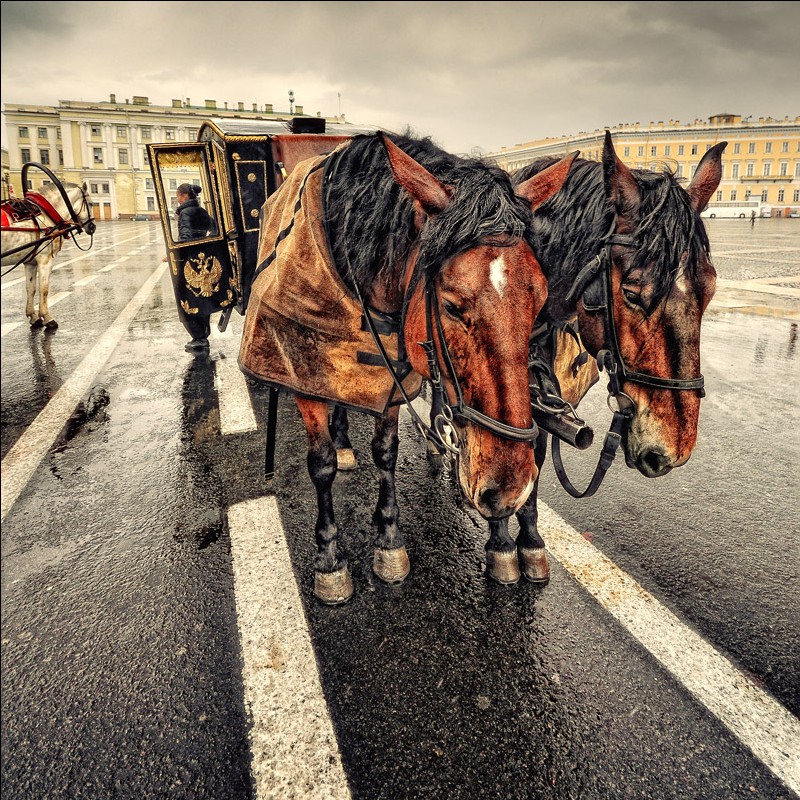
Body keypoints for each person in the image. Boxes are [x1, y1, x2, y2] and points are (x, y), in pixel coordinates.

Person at [162, 184, 219, 353]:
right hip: (201, 256)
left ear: (184, 196)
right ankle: (203, 335)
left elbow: (185, 237)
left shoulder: (185, 213)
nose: (178, 200)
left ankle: (199, 338)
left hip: (188, 259)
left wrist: (174, 253)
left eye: (178, 196)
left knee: (187, 299)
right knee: (201, 299)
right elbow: (214, 228)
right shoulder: (201, 211)